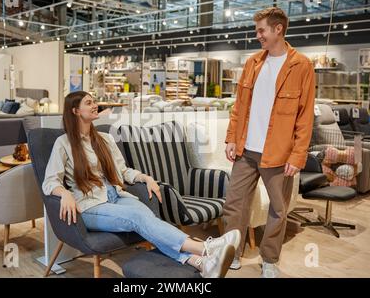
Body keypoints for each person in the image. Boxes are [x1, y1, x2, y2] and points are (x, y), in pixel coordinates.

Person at [43, 91, 240, 278]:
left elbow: (123, 171)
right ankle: (206, 248)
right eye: (89, 103)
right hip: (89, 205)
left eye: (94, 101)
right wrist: (64, 194)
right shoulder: (64, 143)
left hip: (116, 196)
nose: (95, 105)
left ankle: (201, 263)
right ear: (75, 111)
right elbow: (50, 181)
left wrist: (145, 178)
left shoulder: (105, 138)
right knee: (138, 216)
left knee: (148, 218)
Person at [223, 7, 315, 277]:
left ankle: (269, 259)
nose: (258, 35)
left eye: (261, 30)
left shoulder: (301, 66)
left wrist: (298, 155)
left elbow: (305, 115)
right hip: (245, 150)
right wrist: (231, 138)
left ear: (278, 29)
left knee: (278, 209)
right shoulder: (253, 63)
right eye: (257, 30)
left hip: (278, 154)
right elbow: (239, 106)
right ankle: (232, 253)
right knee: (234, 204)